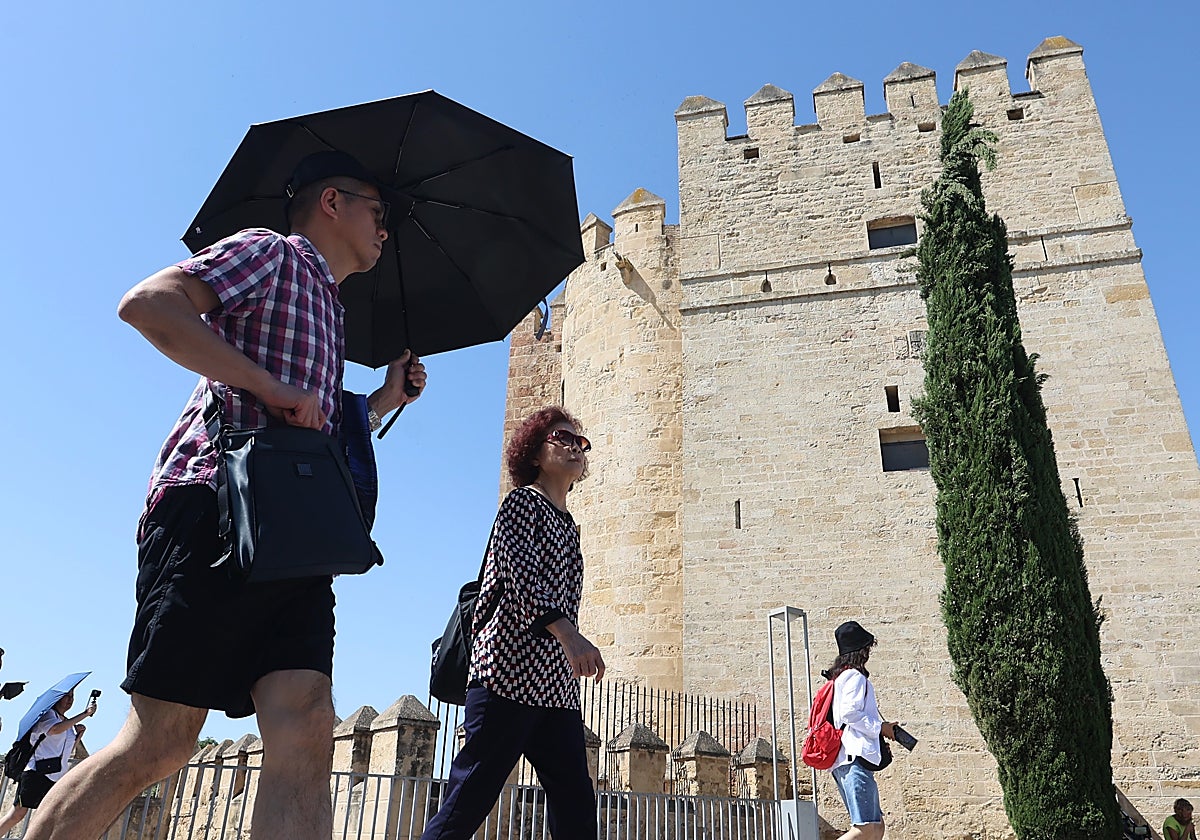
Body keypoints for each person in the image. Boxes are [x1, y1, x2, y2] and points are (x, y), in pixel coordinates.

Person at [24, 151, 426, 840]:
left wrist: (384, 398)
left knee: (307, 724)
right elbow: (148, 304)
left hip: (293, 536)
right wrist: (267, 386)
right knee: (162, 740)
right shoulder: (270, 253)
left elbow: (311, 419)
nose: (385, 230)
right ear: (332, 202)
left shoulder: (332, 309)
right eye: (377, 211)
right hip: (214, 507)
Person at [420, 407, 606, 839]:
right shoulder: (521, 504)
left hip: (554, 688)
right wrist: (571, 637)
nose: (575, 447)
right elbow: (522, 581)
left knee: (576, 805)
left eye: (580, 442)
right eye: (562, 438)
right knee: (469, 799)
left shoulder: (567, 525)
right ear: (535, 454)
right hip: (506, 677)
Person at [825, 621, 899, 840]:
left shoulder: (840, 678)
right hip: (854, 759)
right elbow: (849, 713)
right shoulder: (855, 677)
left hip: (848, 760)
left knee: (876, 828)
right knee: (865, 829)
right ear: (861, 651)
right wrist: (881, 728)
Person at [0, 691, 96, 836]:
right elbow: (54, 729)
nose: (70, 699)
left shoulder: (66, 722)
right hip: (36, 772)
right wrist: (85, 714)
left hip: (55, 776)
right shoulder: (48, 716)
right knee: (17, 814)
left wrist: (78, 736)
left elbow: (66, 752)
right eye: (66, 696)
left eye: (72, 696)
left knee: (51, 817)